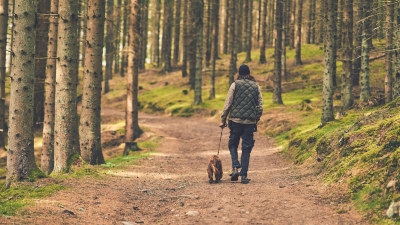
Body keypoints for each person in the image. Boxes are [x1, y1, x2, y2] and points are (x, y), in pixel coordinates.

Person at [219, 64, 263, 184]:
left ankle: (235, 167)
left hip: (235, 121)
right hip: (250, 122)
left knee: (232, 144)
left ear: (239, 73)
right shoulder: (256, 86)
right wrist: (256, 118)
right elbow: (260, 106)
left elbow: (228, 103)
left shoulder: (235, 85)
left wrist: (223, 120)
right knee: (246, 148)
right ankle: (243, 176)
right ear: (249, 73)